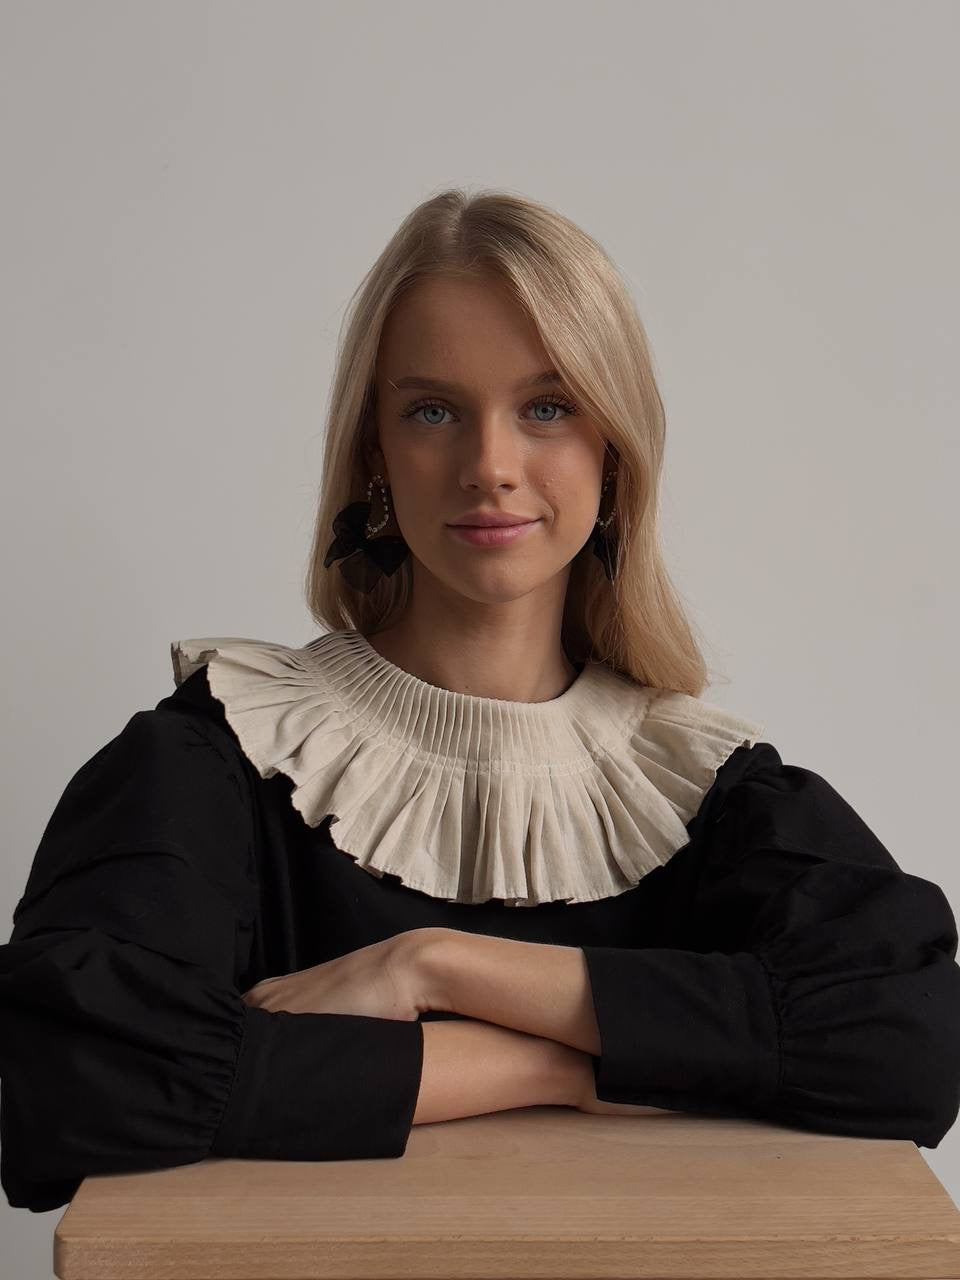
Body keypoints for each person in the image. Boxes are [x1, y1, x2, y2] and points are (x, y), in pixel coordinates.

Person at [2, 189, 958, 1215]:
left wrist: (436, 966)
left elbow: (909, 1040)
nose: (490, 467)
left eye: (547, 407)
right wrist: (556, 1067)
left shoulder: (709, 792)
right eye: (432, 410)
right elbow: (74, 1079)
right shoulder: (210, 760)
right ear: (375, 454)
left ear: (614, 454)